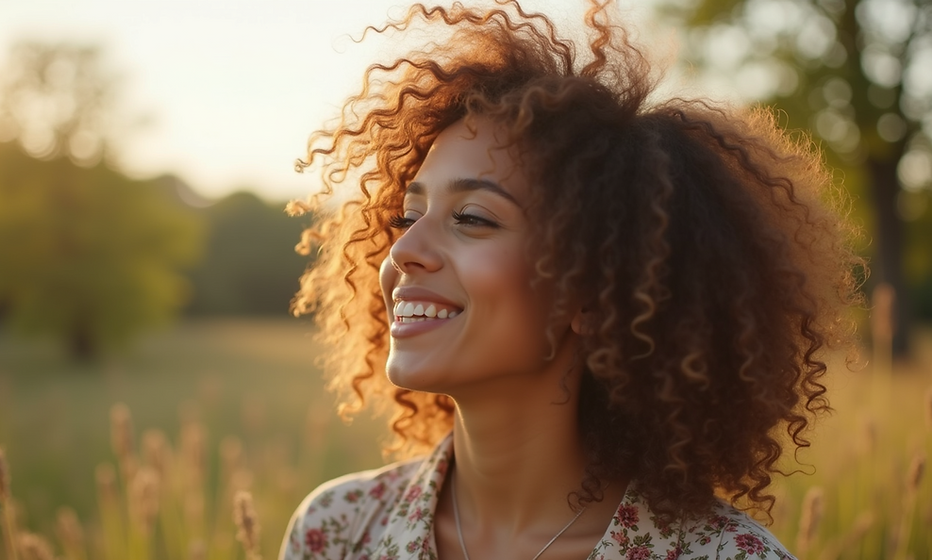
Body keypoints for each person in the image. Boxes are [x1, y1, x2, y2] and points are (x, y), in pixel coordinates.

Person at [279, 1, 862, 558]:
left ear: (593, 289)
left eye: (473, 218)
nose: (404, 249)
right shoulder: (335, 532)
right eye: (408, 216)